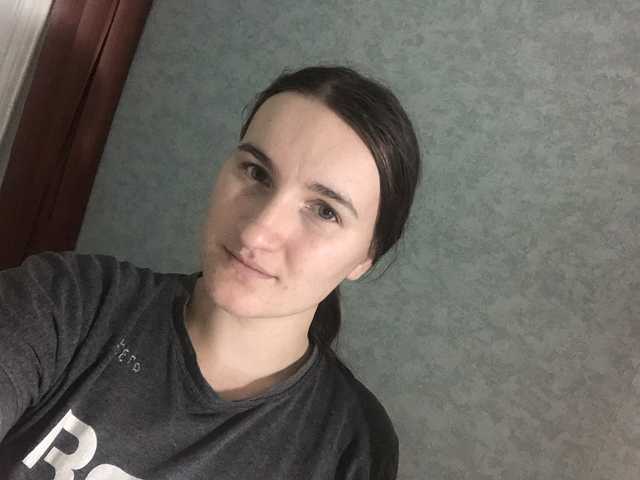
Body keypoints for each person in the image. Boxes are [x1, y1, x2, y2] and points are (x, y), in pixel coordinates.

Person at [0, 65, 421, 479]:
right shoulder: (69, 302)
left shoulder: (351, 446)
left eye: (325, 211)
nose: (257, 231)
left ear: (366, 257)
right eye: (256, 172)